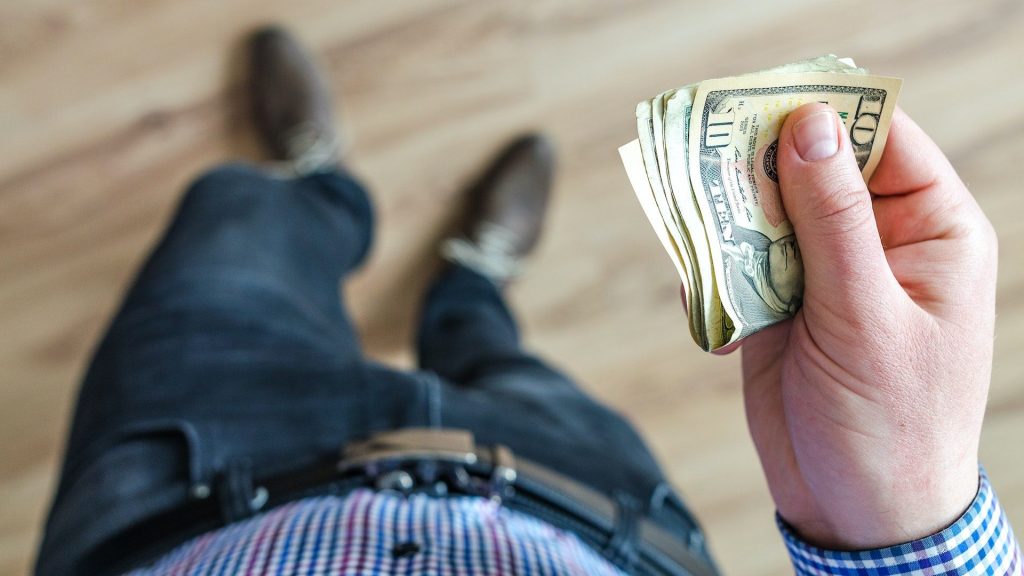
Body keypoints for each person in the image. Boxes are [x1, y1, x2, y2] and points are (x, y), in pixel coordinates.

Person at [34, 26, 1020, 576]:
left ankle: (318, 188)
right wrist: (902, 517)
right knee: (494, 353)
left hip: (181, 491)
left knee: (229, 217)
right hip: (588, 501)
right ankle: (466, 281)